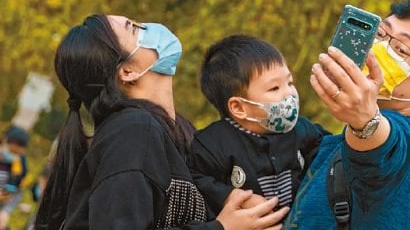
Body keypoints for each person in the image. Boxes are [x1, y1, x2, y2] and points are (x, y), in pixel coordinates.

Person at [34, 14, 289, 230]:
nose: (149, 28)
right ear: (127, 71)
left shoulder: (175, 131)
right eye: (134, 28)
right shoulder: (131, 134)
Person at [283, 0, 410, 229]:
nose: (379, 50)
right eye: (380, 34)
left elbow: (382, 143)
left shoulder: (404, 148)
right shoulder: (331, 144)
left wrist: (365, 121)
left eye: (400, 49)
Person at [189, 35, 328, 216]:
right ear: (239, 107)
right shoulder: (212, 144)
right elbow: (195, 177)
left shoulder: (301, 129)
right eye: (274, 88)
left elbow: (331, 149)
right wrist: (232, 196)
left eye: (289, 82)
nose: (289, 94)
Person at [0, 125, 30, 230]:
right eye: (11, 152)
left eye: (17, 153)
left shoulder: (20, 168)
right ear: (4, 141)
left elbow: (18, 191)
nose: (13, 156)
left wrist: (6, 211)